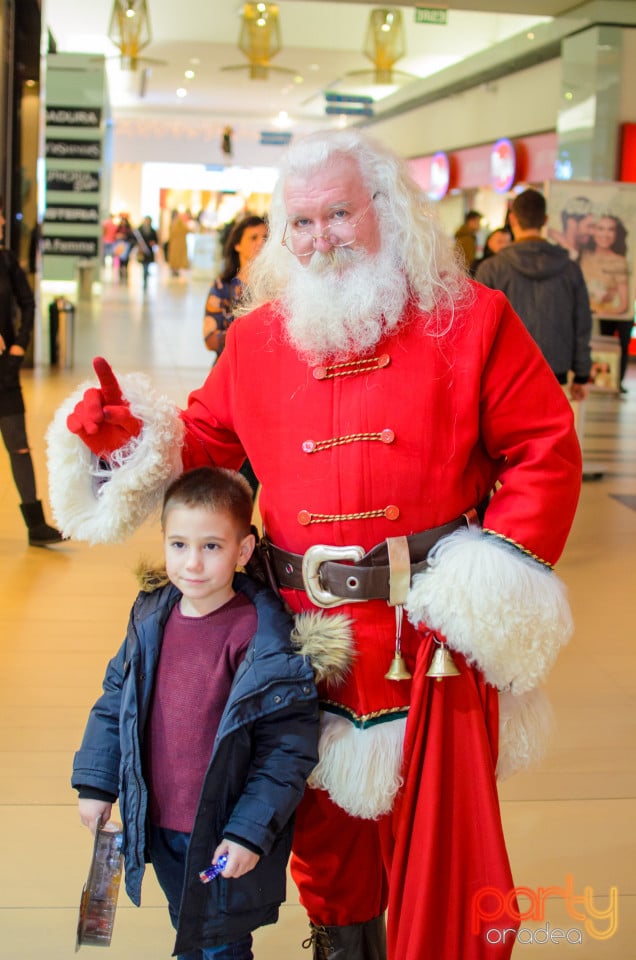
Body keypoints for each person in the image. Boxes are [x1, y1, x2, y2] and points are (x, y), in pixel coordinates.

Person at [48, 130, 582, 960]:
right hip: (301, 640)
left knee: (439, 842)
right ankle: (342, 942)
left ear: (387, 211)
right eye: (300, 221)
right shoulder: (257, 338)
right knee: (318, 830)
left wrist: (491, 581)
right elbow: (204, 446)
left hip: (429, 638)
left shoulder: (472, 319)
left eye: (339, 212)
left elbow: (544, 448)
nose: (319, 237)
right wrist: (125, 440)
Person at [72, 465, 320, 959]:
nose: (193, 564)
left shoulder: (264, 642)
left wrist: (248, 832)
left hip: (223, 831)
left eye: (212, 546)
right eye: (179, 545)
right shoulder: (151, 618)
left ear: (243, 550)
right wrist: (98, 782)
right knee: (188, 928)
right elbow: (114, 699)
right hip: (158, 820)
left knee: (220, 944)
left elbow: (285, 751)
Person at [476, 188, 592, 402]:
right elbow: (582, 322)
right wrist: (582, 374)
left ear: (512, 218)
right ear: (545, 220)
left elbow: (477, 328)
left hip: (505, 373)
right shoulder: (570, 268)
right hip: (555, 369)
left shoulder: (491, 268)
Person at [0, 200, 63, 546]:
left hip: (4, 371)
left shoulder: (7, 260)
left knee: (18, 445)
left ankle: (35, 525)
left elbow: (27, 303)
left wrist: (19, 345)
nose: (2, 220)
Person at [579, 213, 633, 393]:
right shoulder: (583, 256)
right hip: (590, 315)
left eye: (610, 229)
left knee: (619, 345)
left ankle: (616, 381)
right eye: (601, 228)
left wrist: (597, 309)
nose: (605, 234)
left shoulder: (618, 261)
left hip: (611, 313)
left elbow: (623, 304)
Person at [203, 216, 268, 358]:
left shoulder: (276, 286)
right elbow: (210, 338)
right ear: (237, 245)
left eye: (265, 237)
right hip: (230, 368)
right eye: (253, 238)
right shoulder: (222, 287)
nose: (261, 243)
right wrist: (252, 337)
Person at [547, 195, 595, 261]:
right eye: (589, 226)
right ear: (572, 223)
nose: (592, 232)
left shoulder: (588, 251)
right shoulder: (552, 253)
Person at [132, 215, 159, 291]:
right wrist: (138, 245)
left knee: (147, 265)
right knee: (144, 265)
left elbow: (156, 240)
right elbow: (135, 239)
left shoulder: (153, 231)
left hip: (149, 250)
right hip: (142, 250)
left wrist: (153, 243)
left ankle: (146, 276)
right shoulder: (140, 230)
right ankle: (144, 278)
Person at [168, 210, 190, 277]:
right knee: (175, 257)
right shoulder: (175, 222)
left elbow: (186, 230)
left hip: (177, 243)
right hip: (176, 243)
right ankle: (174, 269)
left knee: (177, 257)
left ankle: (175, 269)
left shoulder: (176, 222)